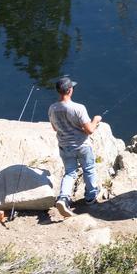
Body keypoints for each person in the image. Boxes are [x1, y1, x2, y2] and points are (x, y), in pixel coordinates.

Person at [46, 77, 102, 217]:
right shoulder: (78, 108)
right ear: (70, 90)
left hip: (64, 147)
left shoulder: (52, 108)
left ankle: (64, 198)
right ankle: (90, 197)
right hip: (82, 146)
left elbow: (54, 128)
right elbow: (89, 130)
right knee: (88, 169)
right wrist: (96, 120)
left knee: (70, 172)